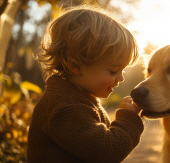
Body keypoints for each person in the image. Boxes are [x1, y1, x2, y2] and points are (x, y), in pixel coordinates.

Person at [27, 4, 143, 163]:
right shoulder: (63, 107)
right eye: (113, 71)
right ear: (75, 65)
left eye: (122, 70)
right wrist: (127, 119)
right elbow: (107, 152)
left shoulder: (76, 98)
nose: (121, 78)